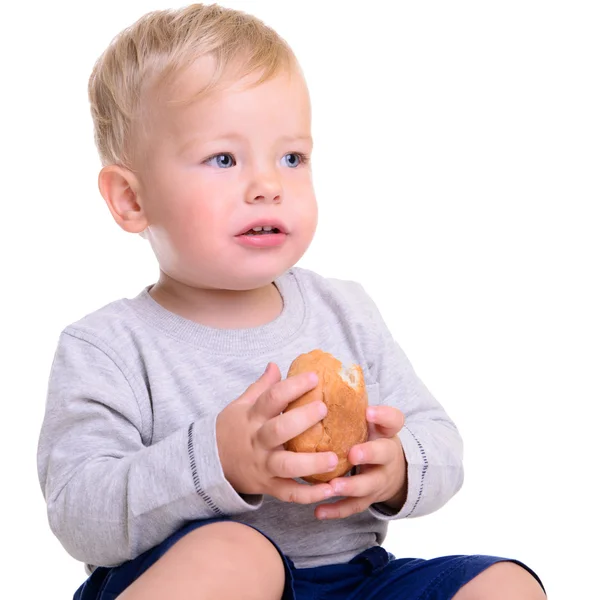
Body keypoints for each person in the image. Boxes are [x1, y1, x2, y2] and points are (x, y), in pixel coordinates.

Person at [37, 4, 546, 599]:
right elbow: (79, 514)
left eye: (292, 157)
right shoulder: (108, 347)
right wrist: (218, 461)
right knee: (237, 553)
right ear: (131, 199)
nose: (268, 184)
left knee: (503, 584)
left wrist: (398, 466)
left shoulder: (345, 311)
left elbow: (440, 439)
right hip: (201, 579)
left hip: (351, 580)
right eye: (224, 159)